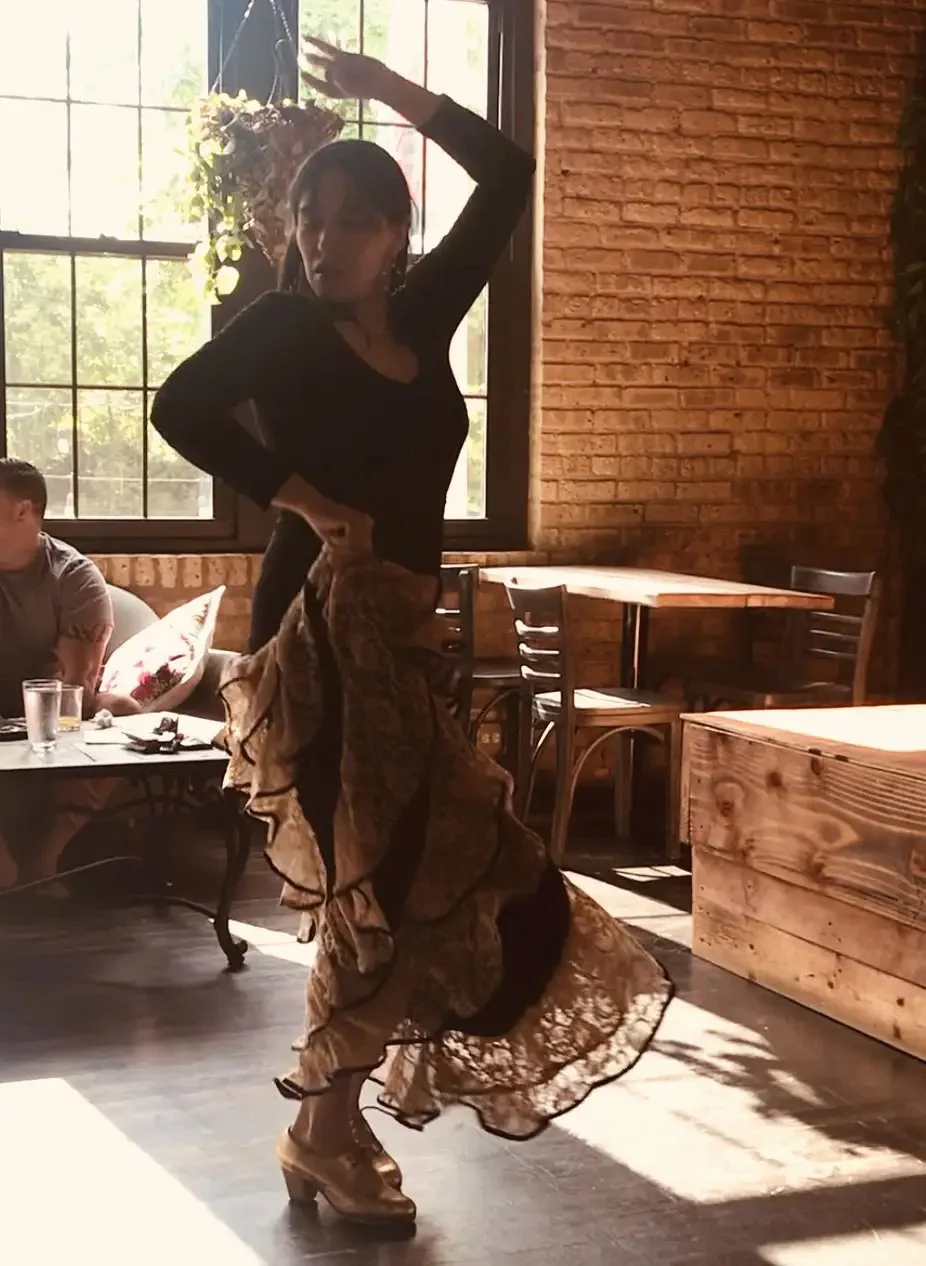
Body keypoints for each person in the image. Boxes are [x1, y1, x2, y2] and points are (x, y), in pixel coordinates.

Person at [151, 39, 672, 1227]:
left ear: (395, 235)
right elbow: (179, 406)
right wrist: (302, 497)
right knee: (381, 881)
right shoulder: (282, 327)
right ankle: (325, 1131)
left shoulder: (426, 316)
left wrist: (389, 93)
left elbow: (509, 174)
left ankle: (322, 1128)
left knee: (447, 879)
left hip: (401, 634)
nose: (324, 240)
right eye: (309, 218)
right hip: (315, 635)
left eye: (351, 220)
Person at [0, 459, 139, 893]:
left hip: (49, 705)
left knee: (124, 711)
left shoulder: (73, 576)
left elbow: (76, 686)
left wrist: (29, 721)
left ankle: (47, 856)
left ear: (23, 510)